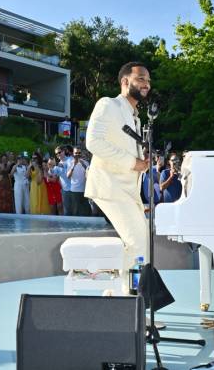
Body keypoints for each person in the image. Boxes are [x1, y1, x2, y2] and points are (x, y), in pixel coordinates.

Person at [85, 61, 151, 293]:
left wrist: (143, 162)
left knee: (142, 245)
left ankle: (118, 292)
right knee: (138, 243)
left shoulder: (136, 117)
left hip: (128, 190)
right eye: (141, 78)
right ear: (125, 81)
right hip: (109, 186)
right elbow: (93, 142)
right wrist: (134, 162)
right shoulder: (108, 104)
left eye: (148, 81)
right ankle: (127, 300)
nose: (146, 84)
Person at [67, 146, 90, 216]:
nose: (77, 154)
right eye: (76, 153)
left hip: (84, 191)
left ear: (81, 153)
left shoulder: (86, 163)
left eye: (79, 153)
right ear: (73, 154)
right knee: (75, 212)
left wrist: (84, 166)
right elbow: (68, 176)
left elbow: (89, 176)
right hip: (74, 191)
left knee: (84, 212)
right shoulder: (70, 163)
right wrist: (73, 166)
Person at [50, 145, 74, 215]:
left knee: (73, 211)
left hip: (73, 189)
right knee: (67, 212)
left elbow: (69, 175)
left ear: (63, 151)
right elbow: (53, 175)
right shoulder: (58, 164)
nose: (58, 155)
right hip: (65, 190)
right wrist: (51, 167)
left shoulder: (70, 160)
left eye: (59, 152)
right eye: (56, 154)